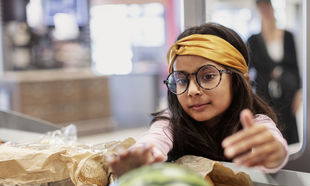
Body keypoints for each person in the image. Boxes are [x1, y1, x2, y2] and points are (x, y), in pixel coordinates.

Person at [108, 22, 289, 177]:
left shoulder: (256, 123)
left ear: (239, 81)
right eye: (181, 79)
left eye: (208, 76)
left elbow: (273, 147)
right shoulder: (170, 123)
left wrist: (274, 154)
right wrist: (141, 156)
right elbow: (153, 141)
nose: (192, 91)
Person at [247, 0, 301, 145]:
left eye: (267, 7)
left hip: (287, 91)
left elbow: (295, 66)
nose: (265, 11)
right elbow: (248, 67)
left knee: (289, 130)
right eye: (262, 8)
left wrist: (298, 93)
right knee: (268, 126)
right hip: (264, 92)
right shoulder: (253, 40)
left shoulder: (287, 36)